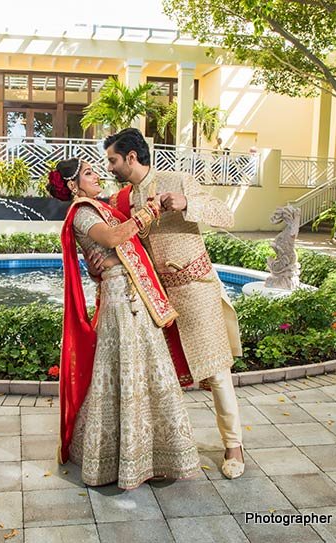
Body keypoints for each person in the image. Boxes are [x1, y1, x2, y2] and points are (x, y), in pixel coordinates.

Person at [89, 127, 246, 479]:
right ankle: (166, 450)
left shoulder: (178, 179)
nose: (110, 167)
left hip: (197, 290)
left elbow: (226, 215)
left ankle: (234, 446)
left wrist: (188, 203)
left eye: (113, 160)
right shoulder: (126, 200)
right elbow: (132, 248)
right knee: (161, 376)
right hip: (156, 298)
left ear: (131, 157)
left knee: (216, 372)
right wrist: (110, 262)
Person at [50, 157, 201, 490]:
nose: (97, 176)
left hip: (134, 295)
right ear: (74, 185)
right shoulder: (83, 213)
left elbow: (129, 238)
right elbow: (114, 238)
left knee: (148, 371)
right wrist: (146, 214)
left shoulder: (99, 208)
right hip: (120, 299)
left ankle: (154, 454)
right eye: (89, 174)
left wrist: (147, 213)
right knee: (127, 372)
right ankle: (123, 459)